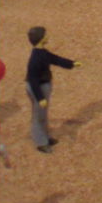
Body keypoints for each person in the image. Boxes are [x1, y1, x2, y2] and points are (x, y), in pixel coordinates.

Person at [25, 26, 81, 154]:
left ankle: (45, 137)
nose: (47, 36)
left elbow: (55, 59)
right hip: (38, 87)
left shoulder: (42, 53)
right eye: (45, 35)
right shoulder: (35, 59)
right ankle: (40, 142)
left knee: (43, 115)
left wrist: (71, 64)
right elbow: (33, 80)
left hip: (43, 85)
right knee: (38, 116)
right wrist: (39, 97)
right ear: (41, 38)